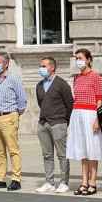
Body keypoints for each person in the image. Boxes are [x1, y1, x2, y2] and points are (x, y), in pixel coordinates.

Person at [0, 52, 27, 191]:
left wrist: (14, 115)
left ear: (6, 64)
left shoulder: (14, 79)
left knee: (13, 150)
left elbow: (22, 101)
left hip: (9, 117)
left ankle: (16, 179)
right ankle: (0, 178)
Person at [67, 49, 102, 196]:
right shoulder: (76, 78)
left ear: (88, 60)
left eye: (81, 58)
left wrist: (98, 119)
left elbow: (99, 99)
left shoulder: (95, 76)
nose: (78, 61)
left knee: (92, 149)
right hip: (77, 114)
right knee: (82, 149)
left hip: (90, 114)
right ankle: (84, 181)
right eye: (76, 58)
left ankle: (93, 182)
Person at [35, 57, 74, 194]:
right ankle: (49, 182)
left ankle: (64, 182)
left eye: (44, 66)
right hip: (43, 123)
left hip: (58, 123)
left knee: (62, 155)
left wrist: (64, 121)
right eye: (41, 66)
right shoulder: (39, 85)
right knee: (47, 154)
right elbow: (41, 103)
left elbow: (70, 104)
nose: (41, 68)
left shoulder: (61, 84)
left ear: (52, 67)